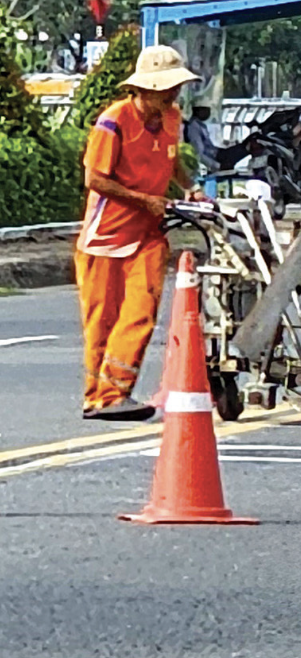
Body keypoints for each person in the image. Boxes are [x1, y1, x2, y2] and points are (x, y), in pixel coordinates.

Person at [75, 46, 203, 420]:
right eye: (166, 88)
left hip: (147, 233)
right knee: (101, 321)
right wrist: (142, 199)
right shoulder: (113, 121)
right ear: (144, 90)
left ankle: (115, 392)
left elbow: (170, 158)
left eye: (176, 87)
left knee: (141, 313)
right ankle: (96, 396)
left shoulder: (171, 117)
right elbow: (95, 179)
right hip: (105, 237)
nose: (173, 94)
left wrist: (189, 188)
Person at [183, 104, 220, 174]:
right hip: (210, 161)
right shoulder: (193, 127)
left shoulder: (200, 125)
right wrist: (214, 165)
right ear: (197, 111)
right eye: (206, 110)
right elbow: (198, 152)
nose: (209, 112)